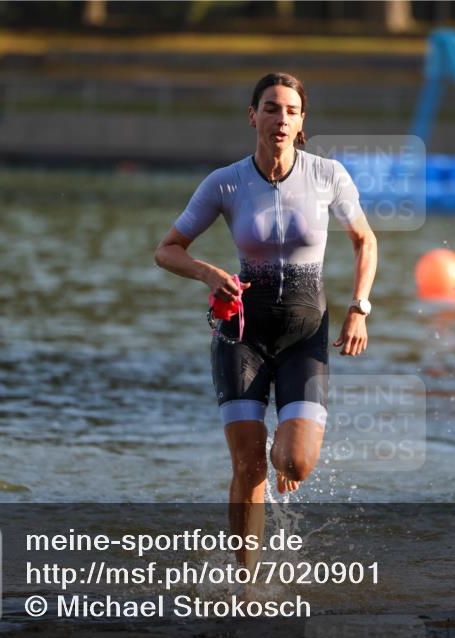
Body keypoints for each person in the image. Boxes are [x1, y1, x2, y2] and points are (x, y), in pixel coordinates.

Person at [154, 73, 378, 564]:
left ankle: (288, 446)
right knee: (248, 465)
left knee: (294, 458)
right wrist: (209, 274)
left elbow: (365, 240)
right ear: (253, 116)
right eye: (271, 108)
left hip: (306, 336)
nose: (281, 118)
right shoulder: (225, 182)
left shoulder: (327, 176)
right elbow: (166, 251)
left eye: (291, 110)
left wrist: (359, 307)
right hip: (241, 337)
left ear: (302, 122)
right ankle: (247, 582)